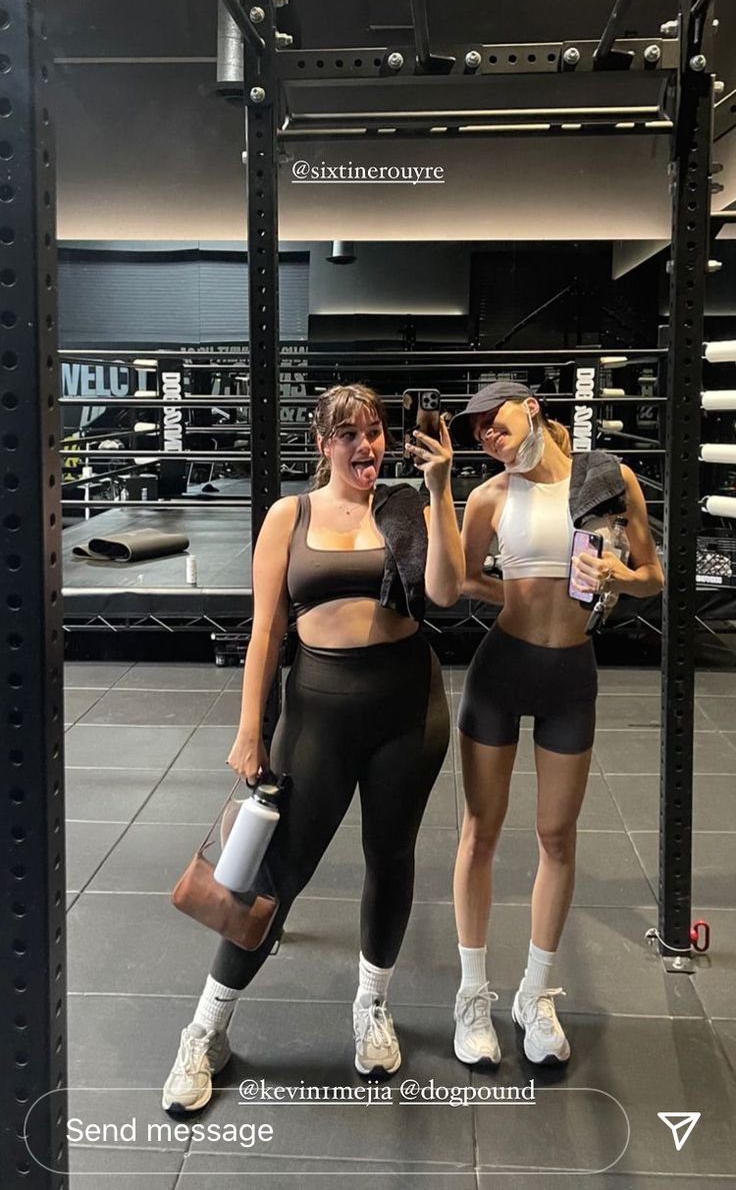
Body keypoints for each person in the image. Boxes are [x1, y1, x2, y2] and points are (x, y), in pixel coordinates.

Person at [162, 383, 464, 1113]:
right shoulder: (288, 515)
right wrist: (248, 729)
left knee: (390, 856)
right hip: (319, 712)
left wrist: (442, 487)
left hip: (406, 707)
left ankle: (372, 1003)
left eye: (376, 432)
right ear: (322, 443)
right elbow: (266, 631)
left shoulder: (408, 504)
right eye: (350, 435)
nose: (367, 447)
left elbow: (448, 594)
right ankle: (205, 1028)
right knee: (275, 873)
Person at [448, 381, 663, 1068]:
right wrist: (510, 587)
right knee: (479, 832)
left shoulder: (608, 478)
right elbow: (454, 581)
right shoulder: (487, 497)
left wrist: (617, 577)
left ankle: (535, 993)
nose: (486, 432)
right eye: (475, 428)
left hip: (572, 674)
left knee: (557, 838)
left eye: (494, 418)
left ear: (531, 406)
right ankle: (472, 994)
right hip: (501, 666)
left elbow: (653, 574)